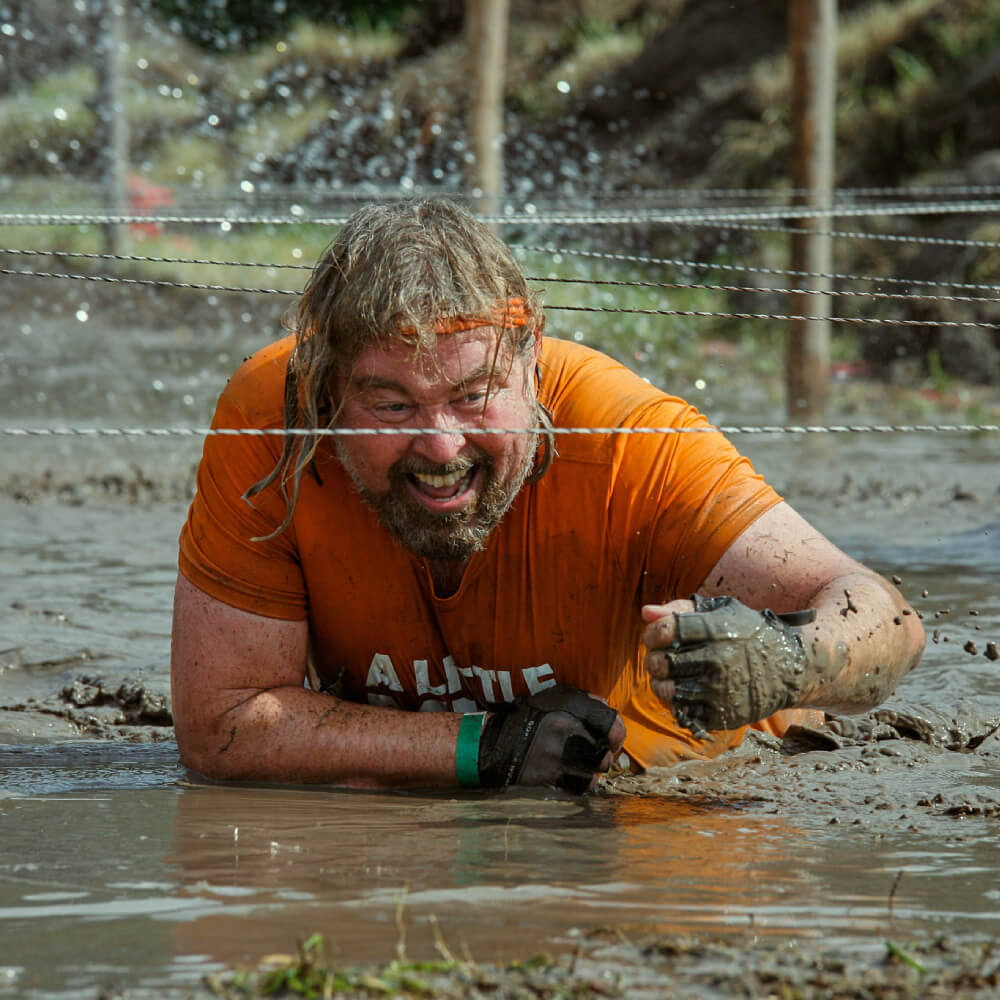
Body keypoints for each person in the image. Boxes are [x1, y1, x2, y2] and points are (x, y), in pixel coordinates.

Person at [170, 197, 924, 793]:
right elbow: (221, 725)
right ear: (328, 391)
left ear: (534, 373)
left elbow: (886, 616)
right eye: (391, 405)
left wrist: (788, 663)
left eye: (474, 397)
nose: (440, 448)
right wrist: (483, 748)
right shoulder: (275, 420)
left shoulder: (625, 439)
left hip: (675, 799)